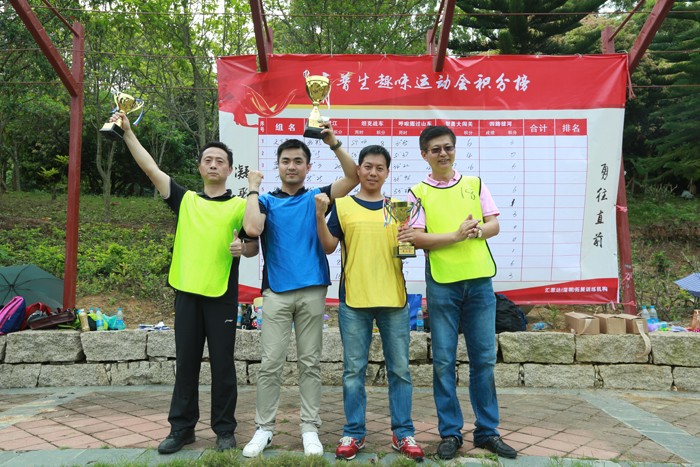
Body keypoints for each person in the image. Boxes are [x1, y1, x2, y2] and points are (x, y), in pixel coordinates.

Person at [112, 112, 258, 454]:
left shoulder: (240, 206)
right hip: (187, 294)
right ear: (200, 167)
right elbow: (151, 169)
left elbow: (253, 243)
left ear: (229, 169)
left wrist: (244, 248)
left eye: (220, 161)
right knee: (186, 364)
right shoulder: (186, 199)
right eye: (208, 160)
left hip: (221, 295)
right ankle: (181, 428)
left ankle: (224, 429)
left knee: (223, 366)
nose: (213, 164)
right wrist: (128, 133)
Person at [398, 125, 517, 460]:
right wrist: (456, 235)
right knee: (443, 362)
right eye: (435, 149)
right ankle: (450, 432)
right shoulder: (417, 193)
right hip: (442, 283)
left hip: (480, 282)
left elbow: (494, 224)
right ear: (424, 154)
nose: (443, 154)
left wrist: (477, 231)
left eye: (448, 147)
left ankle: (487, 431)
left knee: (484, 360)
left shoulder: (474, 184)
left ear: (455, 149)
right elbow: (415, 238)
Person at [241, 125, 359, 457]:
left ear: (308, 167)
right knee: (270, 364)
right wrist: (252, 188)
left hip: (312, 290)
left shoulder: (317, 197)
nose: (291, 166)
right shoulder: (264, 201)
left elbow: (353, 177)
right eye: (285, 161)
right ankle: (264, 429)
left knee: (310, 363)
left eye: (297, 161)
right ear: (278, 166)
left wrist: (332, 142)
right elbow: (252, 228)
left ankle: (310, 428)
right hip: (276, 292)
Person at [314, 145, 425, 461]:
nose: (373, 172)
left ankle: (403, 433)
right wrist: (320, 216)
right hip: (354, 301)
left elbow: (407, 253)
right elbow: (328, 246)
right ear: (359, 170)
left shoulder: (398, 208)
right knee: (353, 372)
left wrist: (408, 241)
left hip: (394, 300)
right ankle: (353, 432)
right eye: (367, 166)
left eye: (379, 168)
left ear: (387, 172)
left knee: (400, 370)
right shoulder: (343, 206)